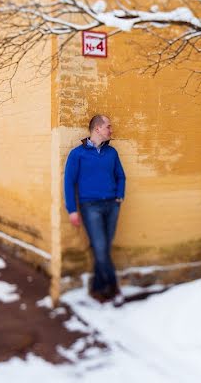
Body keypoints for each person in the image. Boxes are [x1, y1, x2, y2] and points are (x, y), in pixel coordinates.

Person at [64, 114, 126, 302]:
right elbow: (69, 182)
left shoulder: (112, 153)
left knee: (104, 248)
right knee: (100, 247)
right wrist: (72, 210)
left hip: (112, 205)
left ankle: (99, 288)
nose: (111, 130)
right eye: (109, 126)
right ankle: (113, 286)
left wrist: (119, 196)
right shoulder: (77, 154)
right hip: (90, 207)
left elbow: (121, 176)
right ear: (97, 129)